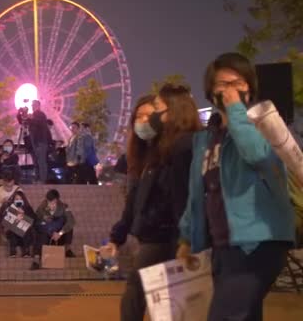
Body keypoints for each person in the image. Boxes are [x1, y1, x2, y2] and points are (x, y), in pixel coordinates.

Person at [177, 53, 295, 320]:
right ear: (210, 91)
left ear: (249, 88)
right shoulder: (205, 140)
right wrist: (186, 237)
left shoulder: (265, 124)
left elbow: (256, 154)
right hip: (223, 246)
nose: (230, 89)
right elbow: (197, 193)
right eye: (222, 84)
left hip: (259, 242)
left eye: (237, 82)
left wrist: (237, 112)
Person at [103, 85, 202, 321]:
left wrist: (184, 238)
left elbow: (182, 196)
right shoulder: (145, 156)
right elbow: (133, 202)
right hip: (156, 236)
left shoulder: (175, 150)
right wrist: (118, 237)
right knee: (161, 303)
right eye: (139, 117)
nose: (146, 121)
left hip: (165, 237)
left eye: (153, 112)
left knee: (140, 297)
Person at [31, 189, 76, 270]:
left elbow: (71, 221)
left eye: (54, 202)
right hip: (46, 236)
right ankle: (36, 260)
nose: (52, 205)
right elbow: (37, 224)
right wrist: (51, 232)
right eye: (49, 202)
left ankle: (67, 249)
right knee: (40, 234)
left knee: (69, 227)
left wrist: (60, 233)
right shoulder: (41, 208)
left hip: (59, 237)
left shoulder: (63, 207)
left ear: (57, 200)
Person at [0, 190, 36, 257]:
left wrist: (24, 216)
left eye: (21, 199)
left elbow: (33, 219)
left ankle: (26, 251)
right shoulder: (10, 208)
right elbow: (3, 219)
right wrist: (15, 218)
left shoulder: (28, 208)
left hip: (25, 233)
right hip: (13, 233)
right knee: (13, 230)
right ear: (13, 200)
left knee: (26, 230)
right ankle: (13, 252)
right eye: (16, 199)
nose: (19, 200)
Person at [28, 100, 50, 183]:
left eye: (33, 105)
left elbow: (39, 123)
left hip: (40, 142)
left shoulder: (41, 114)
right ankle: (38, 178)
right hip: (36, 142)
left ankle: (42, 179)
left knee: (41, 161)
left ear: (38, 105)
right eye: (32, 105)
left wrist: (32, 118)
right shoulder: (34, 116)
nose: (32, 106)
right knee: (37, 161)